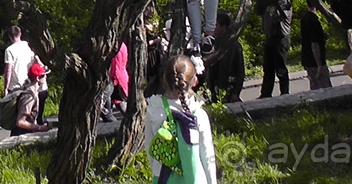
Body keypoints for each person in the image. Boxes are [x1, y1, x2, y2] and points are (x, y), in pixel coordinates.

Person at [144, 55, 217, 184]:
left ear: (164, 79)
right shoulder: (198, 114)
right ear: (194, 81)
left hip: (163, 177)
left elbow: (150, 148)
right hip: (194, 178)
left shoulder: (153, 110)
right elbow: (207, 156)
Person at [3, 25, 48, 125]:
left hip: (17, 84)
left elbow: (8, 69)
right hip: (30, 80)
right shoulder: (27, 45)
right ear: (20, 34)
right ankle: (35, 123)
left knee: (19, 109)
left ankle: (22, 126)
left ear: (10, 36)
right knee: (32, 105)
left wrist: (6, 87)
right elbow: (34, 59)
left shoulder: (9, 50)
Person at [256, 0, 294, 98]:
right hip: (269, 38)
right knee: (268, 68)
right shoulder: (267, 5)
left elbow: (278, 4)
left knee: (281, 69)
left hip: (280, 38)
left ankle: (285, 93)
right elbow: (257, 10)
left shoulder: (285, 4)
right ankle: (266, 93)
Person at [205, 10, 245, 103]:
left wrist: (236, 92)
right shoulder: (211, 43)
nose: (213, 28)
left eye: (216, 25)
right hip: (213, 87)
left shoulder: (234, 46)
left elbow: (240, 71)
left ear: (223, 27)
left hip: (228, 86)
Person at [300, 0, 332, 90]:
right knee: (326, 89)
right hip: (315, 61)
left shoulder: (304, 17)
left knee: (314, 88)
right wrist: (319, 65)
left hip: (307, 59)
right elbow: (314, 44)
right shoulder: (313, 20)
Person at [11, 64, 52, 136]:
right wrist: (40, 128)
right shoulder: (29, 97)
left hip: (25, 133)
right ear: (37, 78)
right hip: (22, 135)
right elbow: (20, 122)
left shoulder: (32, 92)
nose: (46, 77)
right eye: (43, 75)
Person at [101, 42, 129, 122]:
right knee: (118, 104)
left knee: (118, 104)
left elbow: (116, 66)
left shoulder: (117, 48)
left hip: (116, 80)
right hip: (121, 77)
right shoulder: (123, 45)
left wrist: (113, 81)